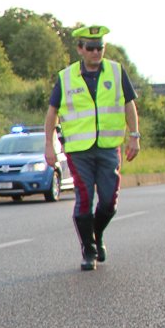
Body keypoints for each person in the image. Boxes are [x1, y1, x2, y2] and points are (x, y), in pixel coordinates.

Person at [44, 24, 141, 270]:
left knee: (109, 201)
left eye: (100, 48)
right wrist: (49, 145)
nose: (96, 52)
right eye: (91, 48)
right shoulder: (65, 77)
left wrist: (134, 136)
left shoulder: (117, 72)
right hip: (78, 151)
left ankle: (96, 236)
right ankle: (88, 249)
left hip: (108, 147)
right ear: (80, 49)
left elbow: (129, 105)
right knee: (84, 198)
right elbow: (52, 111)